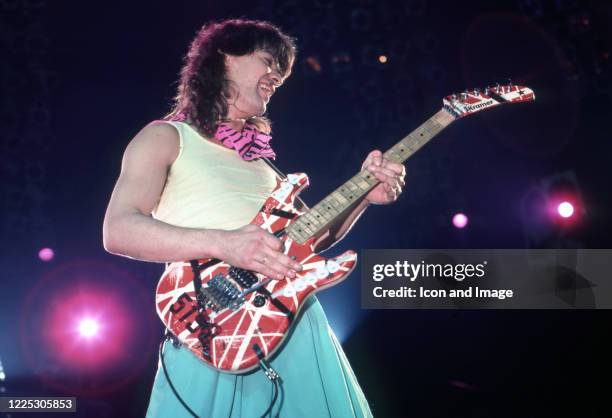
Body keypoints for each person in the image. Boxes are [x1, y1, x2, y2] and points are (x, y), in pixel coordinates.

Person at [103, 18, 405, 418]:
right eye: (268, 61)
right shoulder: (166, 136)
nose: (277, 75)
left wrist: (364, 195)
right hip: (216, 325)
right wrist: (224, 243)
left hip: (293, 323)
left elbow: (311, 238)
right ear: (225, 57)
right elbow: (118, 229)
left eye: (282, 70)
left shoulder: (264, 164)